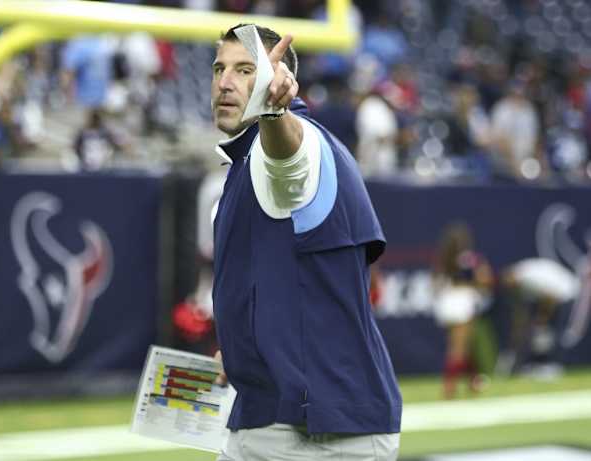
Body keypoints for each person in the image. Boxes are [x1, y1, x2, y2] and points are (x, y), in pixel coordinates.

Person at [210, 24, 401, 461]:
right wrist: (243, 352)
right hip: (278, 422)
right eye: (220, 68)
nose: (224, 81)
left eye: (244, 70)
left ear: (279, 81)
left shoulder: (292, 142)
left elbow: (287, 161)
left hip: (315, 436)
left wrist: (275, 112)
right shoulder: (244, 161)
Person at [432, 223, 492, 399]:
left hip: (446, 302)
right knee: (457, 349)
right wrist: (474, 286)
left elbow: (435, 285)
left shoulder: (443, 260)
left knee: (465, 345)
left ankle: (474, 381)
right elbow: (485, 280)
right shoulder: (471, 259)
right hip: (463, 302)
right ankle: (449, 388)